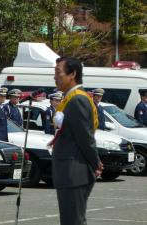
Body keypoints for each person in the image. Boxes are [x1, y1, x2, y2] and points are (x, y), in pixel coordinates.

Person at [52, 57, 103, 225]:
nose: (54, 77)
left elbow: (85, 137)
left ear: (72, 74)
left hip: (74, 172)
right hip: (70, 172)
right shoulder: (71, 98)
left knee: (73, 221)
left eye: (58, 72)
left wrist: (96, 163)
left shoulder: (77, 99)